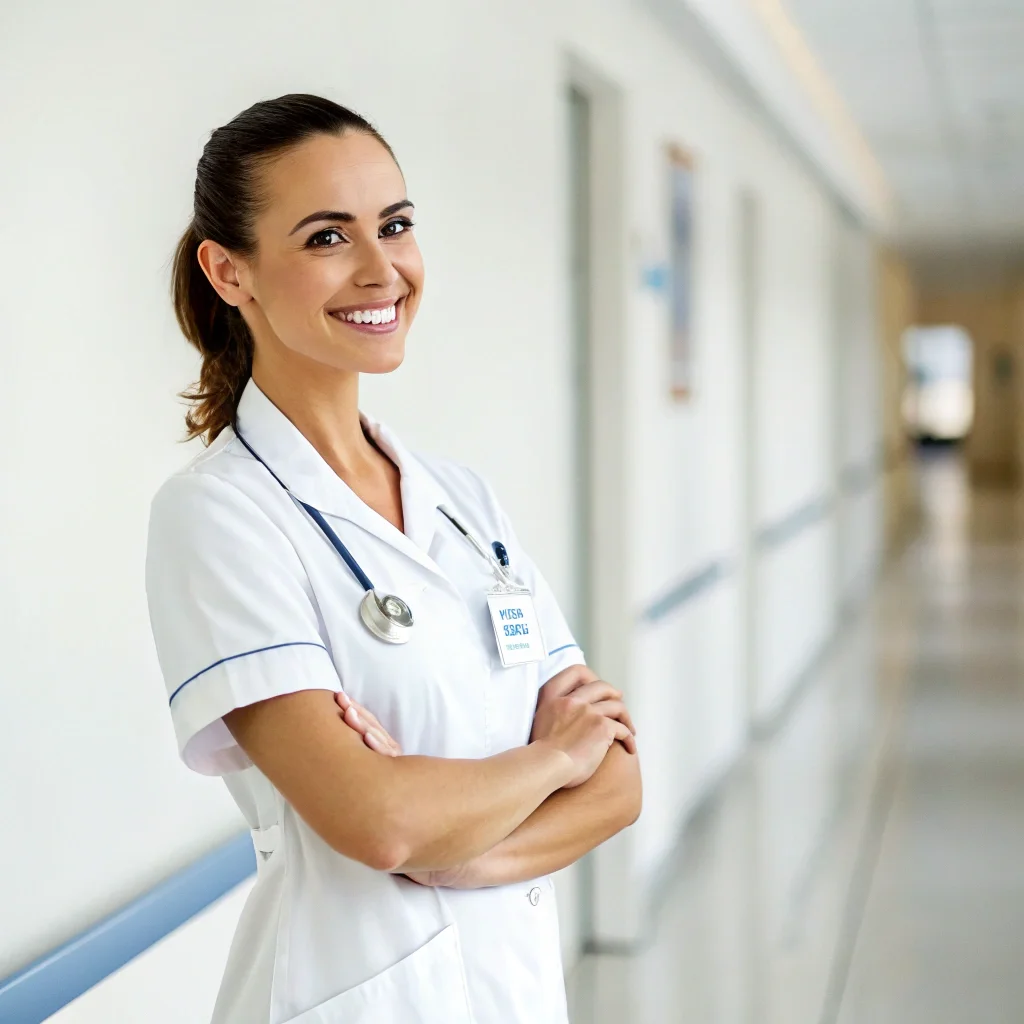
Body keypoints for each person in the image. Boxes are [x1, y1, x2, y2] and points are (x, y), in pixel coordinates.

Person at [145, 92, 642, 1024]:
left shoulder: (463, 502)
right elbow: (378, 821)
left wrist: (458, 854)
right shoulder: (219, 517)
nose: (384, 270)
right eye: (328, 237)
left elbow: (618, 783)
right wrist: (549, 759)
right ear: (229, 271)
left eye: (396, 225)